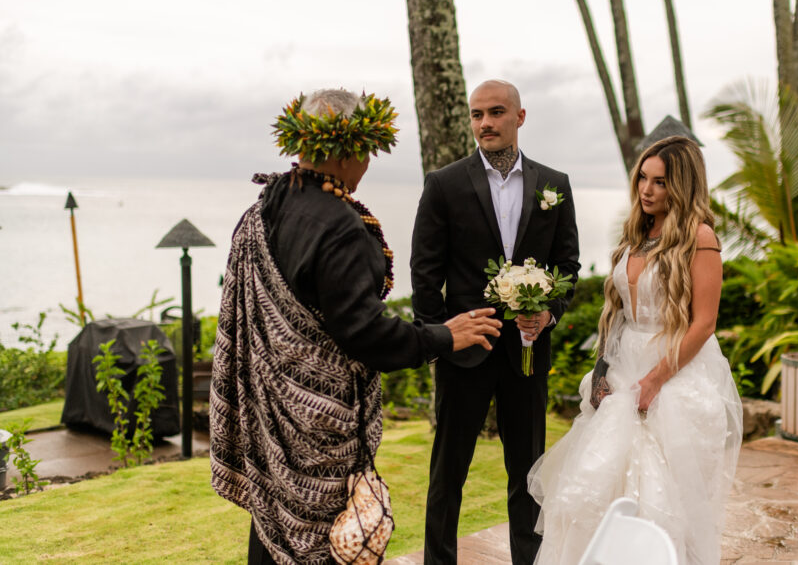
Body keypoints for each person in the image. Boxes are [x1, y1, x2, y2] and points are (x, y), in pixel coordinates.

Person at [209, 88, 502, 565]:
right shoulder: (340, 226)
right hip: (320, 429)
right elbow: (365, 334)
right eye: (367, 152)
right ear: (352, 149)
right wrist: (444, 335)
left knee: (271, 530)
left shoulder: (268, 204)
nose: (367, 165)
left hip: (271, 419)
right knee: (320, 544)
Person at [528, 135, 743, 565]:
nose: (647, 190)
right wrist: (602, 369)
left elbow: (704, 324)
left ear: (681, 185)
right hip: (623, 369)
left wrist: (655, 380)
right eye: (643, 178)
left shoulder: (700, 238)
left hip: (675, 372)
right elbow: (618, 314)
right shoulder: (636, 234)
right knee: (597, 484)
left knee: (659, 493)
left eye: (660, 182)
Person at [411, 79, 581, 564]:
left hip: (527, 355)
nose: (484, 122)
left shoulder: (555, 185)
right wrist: (441, 337)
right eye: (477, 114)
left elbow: (568, 267)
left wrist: (548, 313)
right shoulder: (443, 184)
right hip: (464, 352)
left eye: (496, 112)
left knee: (527, 473)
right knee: (448, 473)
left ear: (520, 117)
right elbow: (425, 272)